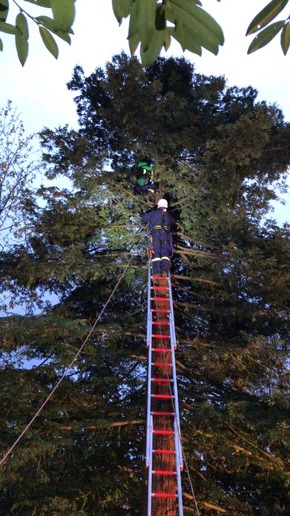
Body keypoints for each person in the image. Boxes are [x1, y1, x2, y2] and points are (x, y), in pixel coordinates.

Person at [142, 198, 175, 276]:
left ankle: (156, 272)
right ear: (166, 206)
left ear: (158, 206)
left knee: (156, 252)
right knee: (165, 253)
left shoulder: (153, 213)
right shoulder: (169, 216)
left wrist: (150, 213)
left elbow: (144, 219)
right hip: (166, 235)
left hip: (156, 233)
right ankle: (164, 271)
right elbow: (172, 222)